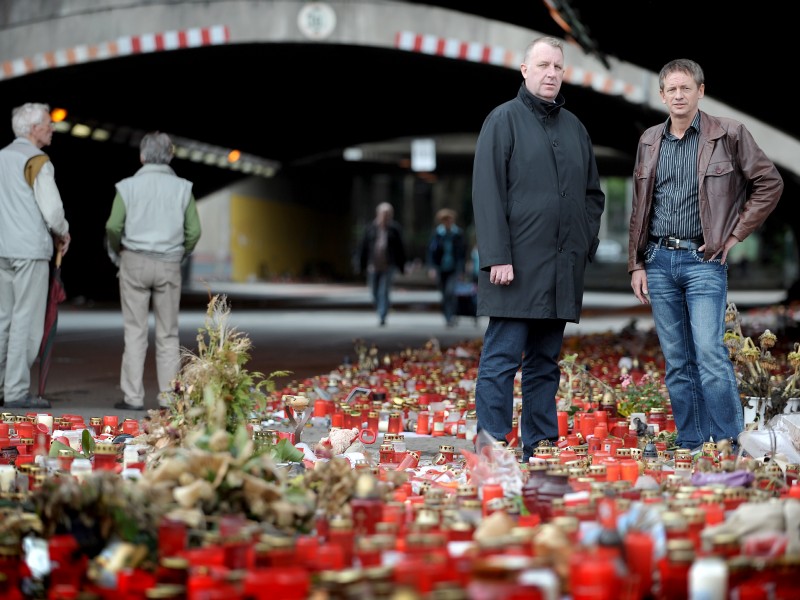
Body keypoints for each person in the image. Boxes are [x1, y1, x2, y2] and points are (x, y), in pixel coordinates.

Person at [628, 58, 783, 451]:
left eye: (686, 88)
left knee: (710, 354)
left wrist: (733, 236)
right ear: (661, 95)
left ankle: (732, 444)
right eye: (671, 90)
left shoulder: (729, 134)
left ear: (701, 91)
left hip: (704, 261)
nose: (679, 96)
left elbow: (769, 182)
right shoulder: (649, 140)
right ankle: (693, 440)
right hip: (659, 260)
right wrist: (637, 263)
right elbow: (639, 207)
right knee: (677, 359)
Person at [471, 37, 605, 462]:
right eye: (543, 65)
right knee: (501, 360)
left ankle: (540, 445)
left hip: (560, 269)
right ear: (524, 70)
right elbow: (487, 191)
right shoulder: (503, 120)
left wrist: (582, 244)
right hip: (514, 267)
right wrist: (496, 256)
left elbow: (592, 195)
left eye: (558, 67)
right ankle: (491, 445)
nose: (551, 73)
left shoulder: (575, 128)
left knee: (546, 362)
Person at [105, 131, 201, 411]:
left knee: (134, 331)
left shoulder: (127, 187)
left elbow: (113, 225)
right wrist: (180, 253)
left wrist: (118, 250)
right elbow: (194, 231)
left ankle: (133, 397)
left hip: (134, 261)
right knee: (168, 333)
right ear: (170, 156)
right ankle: (169, 397)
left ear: (142, 156)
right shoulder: (183, 188)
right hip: (169, 264)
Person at [0, 102, 71, 409]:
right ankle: (15, 390)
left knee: (2, 317)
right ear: (32, 130)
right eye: (47, 124)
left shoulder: (1, 157)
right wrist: (63, 232)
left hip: (2, 248)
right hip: (29, 249)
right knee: (25, 320)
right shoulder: (38, 160)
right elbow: (53, 211)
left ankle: (3, 384)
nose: (51, 129)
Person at [358, 202, 406, 326]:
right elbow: (363, 247)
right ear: (378, 214)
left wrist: (402, 266)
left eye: (388, 214)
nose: (385, 216)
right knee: (374, 291)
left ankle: (382, 314)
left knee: (384, 291)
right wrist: (360, 265)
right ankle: (380, 307)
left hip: (388, 265)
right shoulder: (370, 228)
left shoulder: (394, 229)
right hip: (373, 265)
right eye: (383, 213)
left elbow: (400, 249)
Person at [427, 208, 467, 326]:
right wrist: (432, 268)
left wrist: (461, 270)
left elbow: (462, 254)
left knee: (451, 292)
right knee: (444, 293)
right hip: (441, 268)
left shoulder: (458, 234)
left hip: (454, 268)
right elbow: (431, 252)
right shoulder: (437, 234)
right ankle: (447, 315)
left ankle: (451, 315)